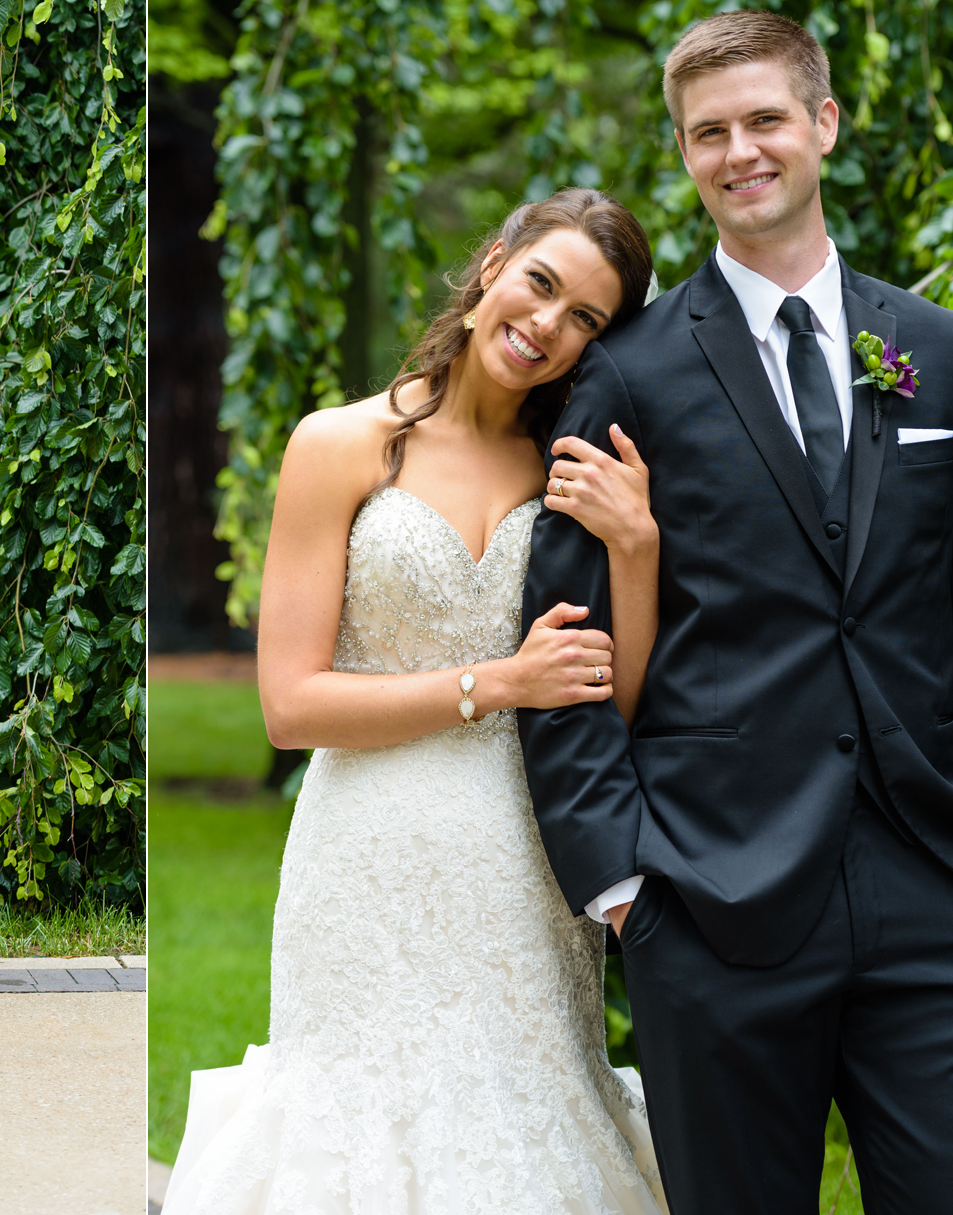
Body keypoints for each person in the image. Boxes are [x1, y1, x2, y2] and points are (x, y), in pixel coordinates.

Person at [519, 11, 953, 1212]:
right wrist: (620, 887)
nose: (737, 151)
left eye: (762, 119)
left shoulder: (941, 355)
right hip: (708, 905)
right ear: (683, 154)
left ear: (820, 124)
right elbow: (562, 648)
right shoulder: (626, 373)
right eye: (707, 132)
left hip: (940, 893)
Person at [163, 189, 668, 1214]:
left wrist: (636, 547)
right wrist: (495, 685)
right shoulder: (338, 445)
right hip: (367, 854)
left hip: (530, 856)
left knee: (522, 1126)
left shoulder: (569, 470)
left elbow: (613, 703)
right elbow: (288, 707)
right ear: (490, 266)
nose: (546, 326)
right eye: (540, 284)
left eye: (586, 320)